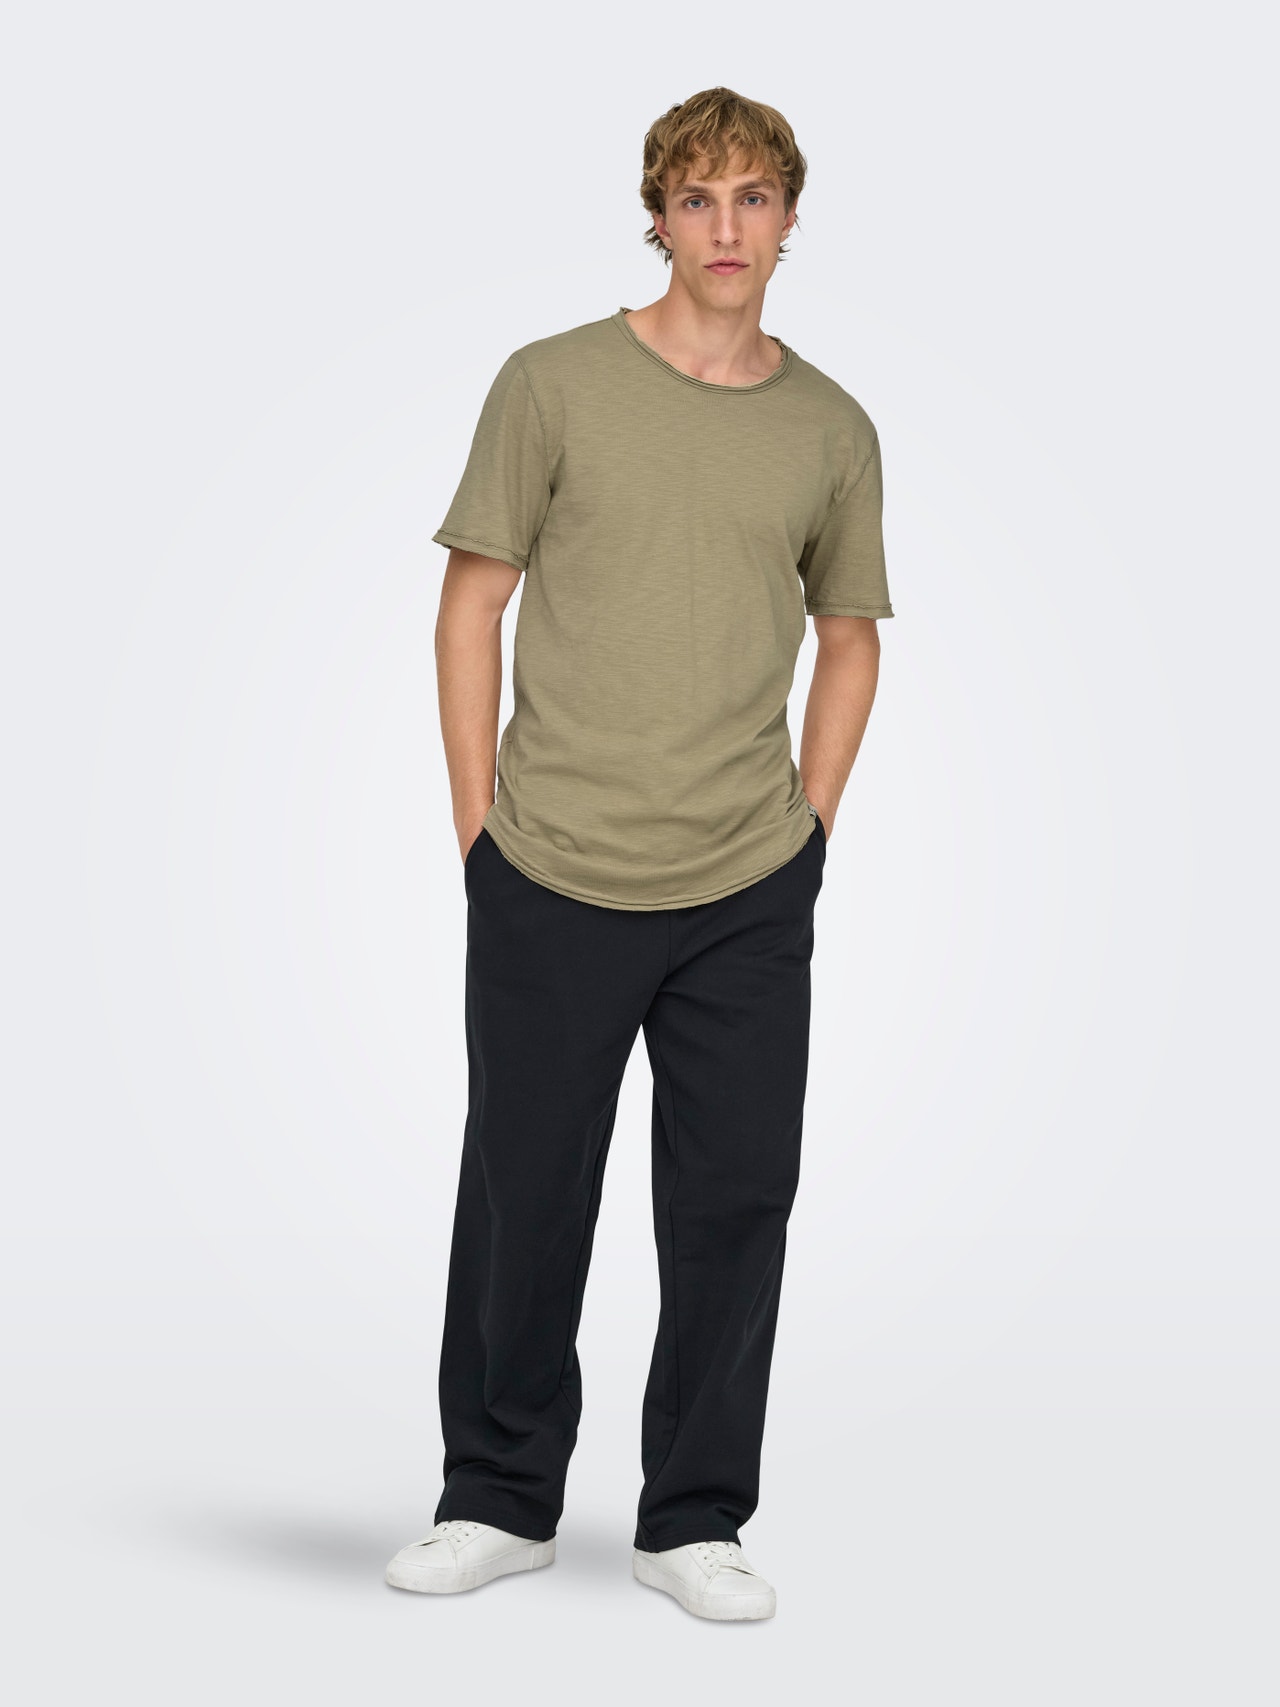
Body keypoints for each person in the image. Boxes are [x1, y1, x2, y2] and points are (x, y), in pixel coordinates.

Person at [386, 85, 894, 1622]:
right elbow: (472, 604)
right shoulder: (551, 385)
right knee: (525, 1192)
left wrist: (808, 831)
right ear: (659, 219)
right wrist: (478, 830)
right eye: (697, 199)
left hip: (747, 884)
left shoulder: (831, 428)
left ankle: (693, 1519)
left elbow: (851, 636)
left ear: (790, 219)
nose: (726, 228)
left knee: (736, 1200)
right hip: (551, 866)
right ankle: (498, 1497)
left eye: (754, 198)